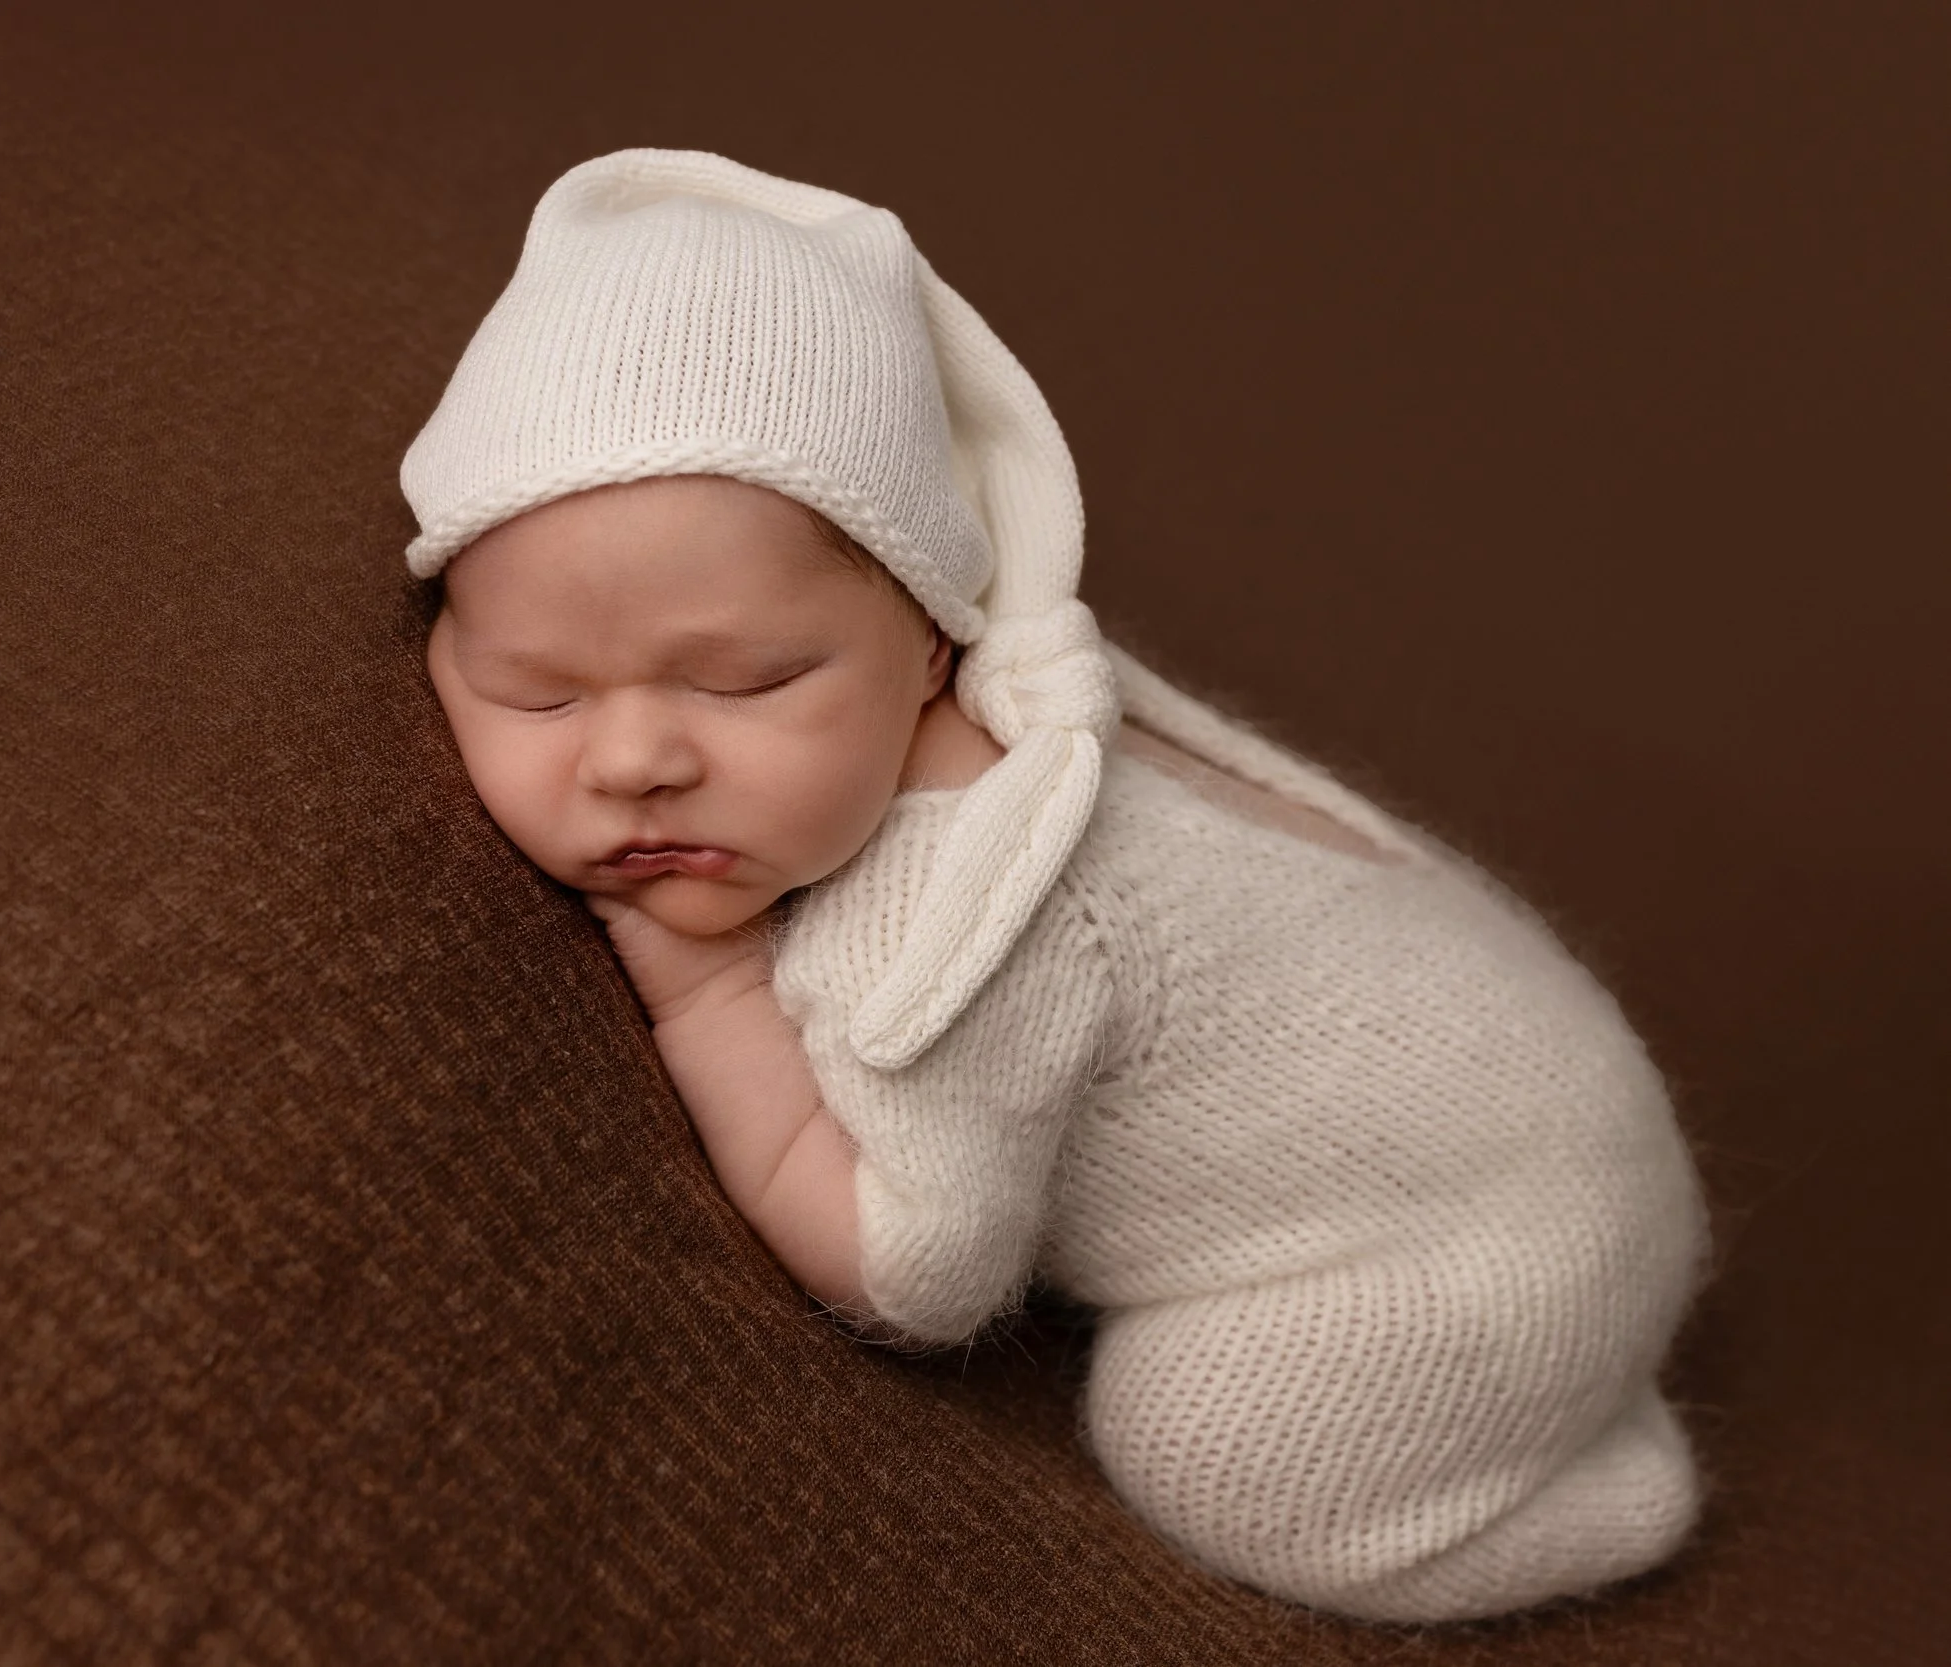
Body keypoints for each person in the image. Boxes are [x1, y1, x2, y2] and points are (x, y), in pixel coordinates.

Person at [402, 148, 1712, 1624]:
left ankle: (1607, 1492)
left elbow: (913, 1269)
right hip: (1536, 1122)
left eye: (748, 679)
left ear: (934, 644)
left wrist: (708, 988)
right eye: (533, 693)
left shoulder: (969, 895)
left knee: (1206, 1451)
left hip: (1479, 1241)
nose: (636, 755)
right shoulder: (936, 738)